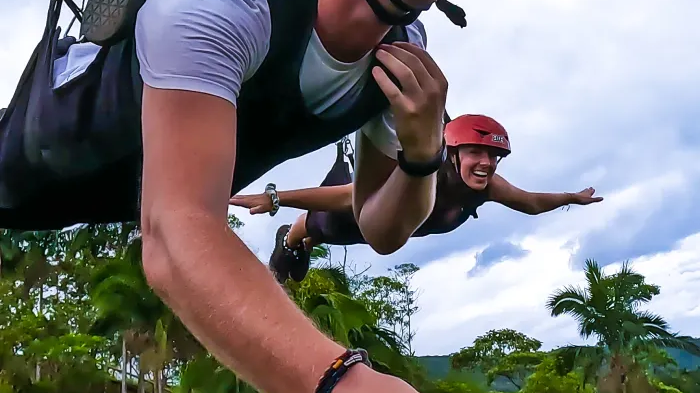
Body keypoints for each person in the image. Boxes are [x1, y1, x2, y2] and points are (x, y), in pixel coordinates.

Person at [123, 0, 491, 393]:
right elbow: (173, 233)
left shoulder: (401, 54)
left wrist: (422, 150)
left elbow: (379, 226)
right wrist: (340, 392)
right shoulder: (221, 5)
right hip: (55, 156)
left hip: (150, 172)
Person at [229, 115, 604, 285]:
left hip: (396, 229)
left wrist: (570, 197)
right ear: (454, 153)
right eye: (477, 154)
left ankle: (304, 239)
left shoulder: (487, 185)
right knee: (322, 225)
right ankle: (292, 240)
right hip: (365, 201)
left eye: (493, 157)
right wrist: (275, 197)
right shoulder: (420, 173)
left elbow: (530, 202)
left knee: (356, 232)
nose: (486, 164)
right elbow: (347, 196)